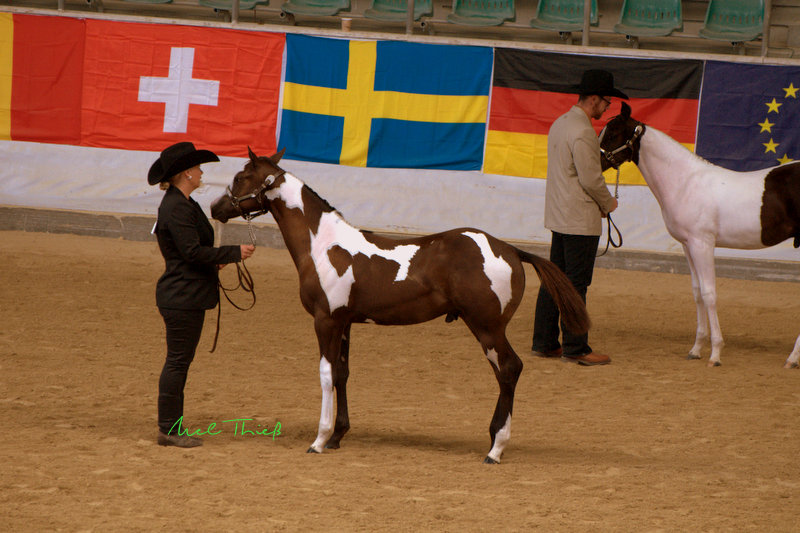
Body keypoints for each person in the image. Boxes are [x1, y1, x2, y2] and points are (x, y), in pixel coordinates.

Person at [148, 142, 255, 447]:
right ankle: (169, 428)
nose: (200, 171)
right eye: (196, 168)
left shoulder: (182, 203)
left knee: (179, 361)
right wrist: (232, 253)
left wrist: (217, 259)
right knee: (178, 362)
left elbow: (191, 252)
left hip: (185, 292)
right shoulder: (177, 206)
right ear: (186, 174)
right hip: (182, 296)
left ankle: (170, 426)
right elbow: (193, 251)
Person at [531, 69, 626, 366]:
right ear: (595, 99)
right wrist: (608, 203)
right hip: (579, 220)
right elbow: (590, 177)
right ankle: (576, 347)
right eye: (607, 102)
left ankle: (545, 342)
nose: (607, 107)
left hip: (559, 215)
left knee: (555, 281)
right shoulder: (584, 131)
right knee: (575, 284)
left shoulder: (560, 123)